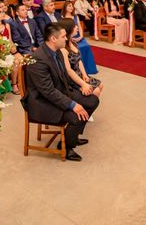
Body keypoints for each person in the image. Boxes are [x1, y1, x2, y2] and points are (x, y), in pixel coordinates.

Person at [22, 23, 100, 161]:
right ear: (53, 38)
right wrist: (73, 104)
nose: (66, 39)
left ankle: (73, 136)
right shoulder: (38, 59)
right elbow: (48, 91)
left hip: (58, 91)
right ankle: (66, 148)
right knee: (76, 115)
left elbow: (64, 75)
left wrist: (80, 87)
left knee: (93, 100)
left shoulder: (56, 50)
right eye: (63, 36)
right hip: (42, 101)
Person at [61, 20, 103, 97]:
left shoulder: (73, 42)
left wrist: (85, 74)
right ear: (69, 29)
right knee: (96, 91)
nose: (77, 27)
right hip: (71, 79)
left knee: (100, 85)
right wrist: (83, 84)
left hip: (79, 74)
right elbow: (69, 71)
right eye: (74, 26)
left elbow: (79, 60)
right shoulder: (63, 48)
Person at [61, 2, 98, 74]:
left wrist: (81, 36)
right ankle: (80, 69)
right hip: (69, 38)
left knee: (86, 46)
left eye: (72, 6)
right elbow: (64, 30)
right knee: (79, 48)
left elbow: (80, 27)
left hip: (78, 36)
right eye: (69, 6)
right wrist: (70, 38)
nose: (71, 8)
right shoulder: (62, 17)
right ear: (65, 8)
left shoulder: (75, 16)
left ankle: (89, 68)